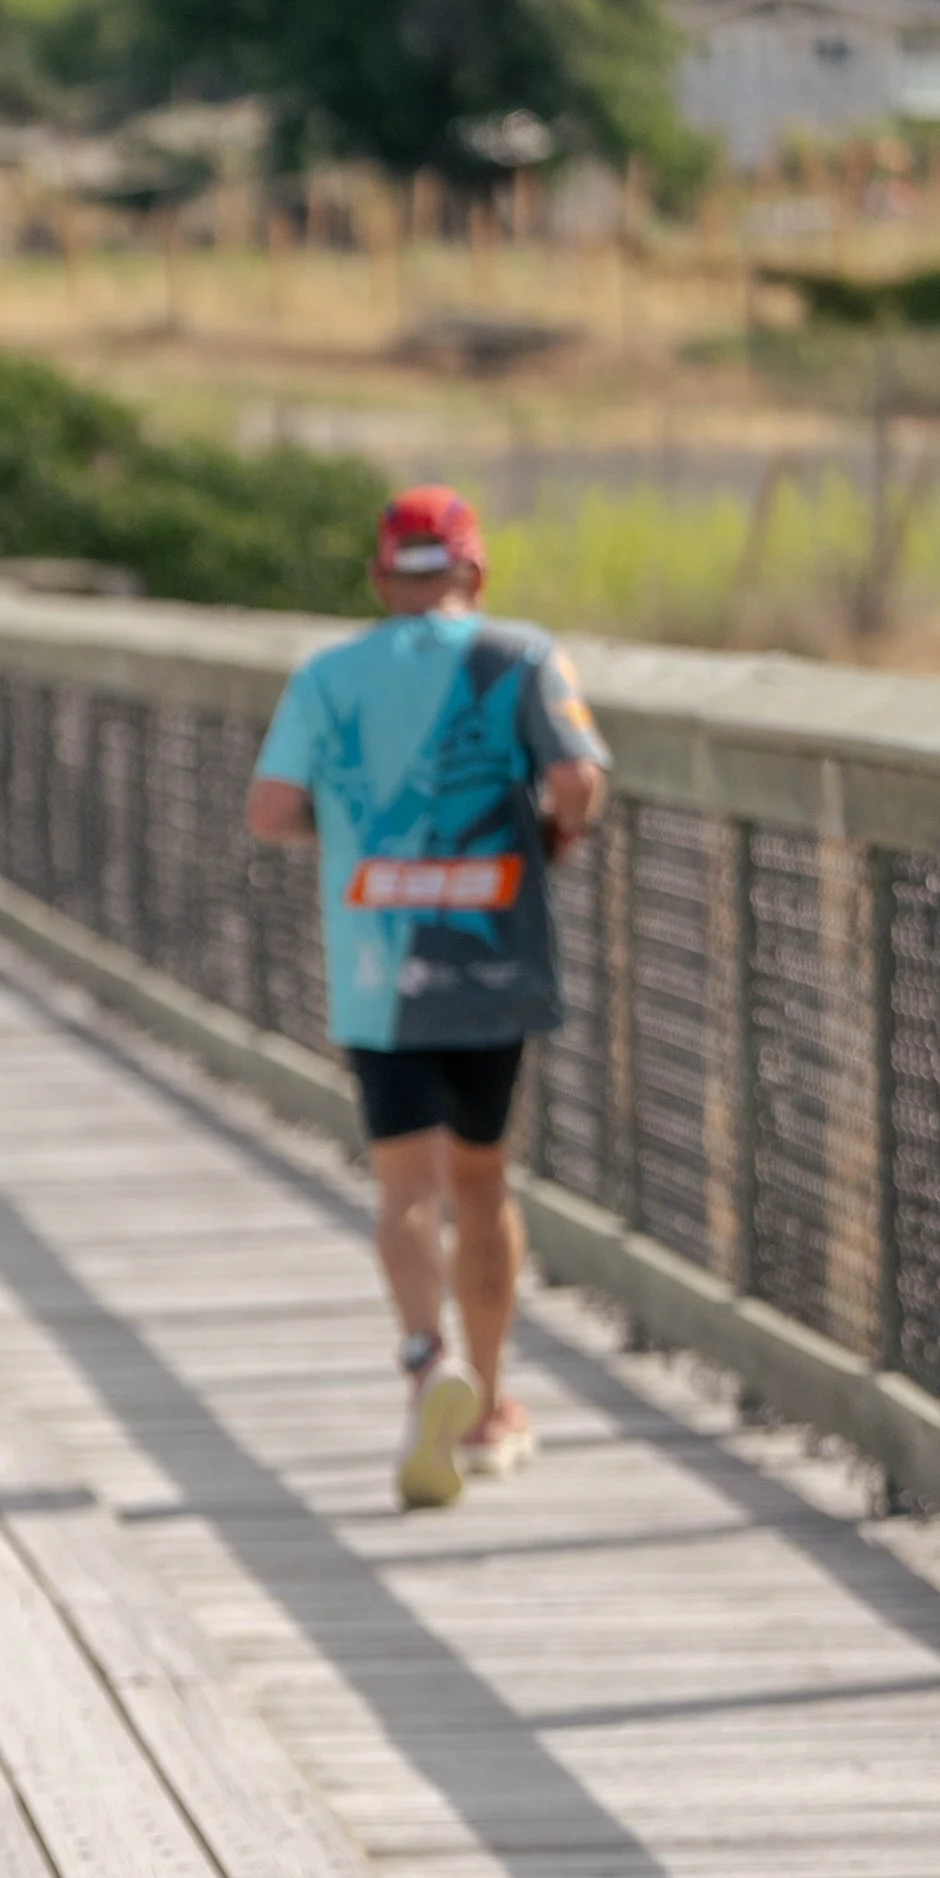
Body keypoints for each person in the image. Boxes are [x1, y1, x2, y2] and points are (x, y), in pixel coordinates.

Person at [245, 485, 610, 1509]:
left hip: (378, 964)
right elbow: (577, 778)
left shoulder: (328, 674)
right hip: (493, 957)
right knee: (483, 1183)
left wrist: (358, 830)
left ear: (379, 577)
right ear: (473, 571)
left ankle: (422, 1363)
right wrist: (551, 838)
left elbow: (270, 809)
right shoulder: (524, 657)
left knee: (406, 1187)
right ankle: (492, 1409)